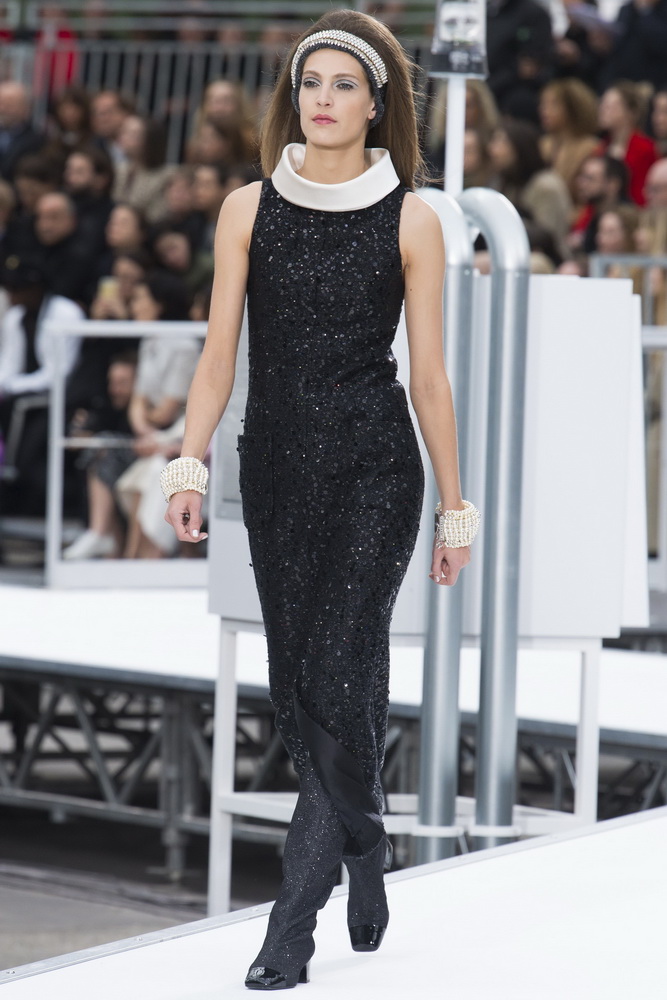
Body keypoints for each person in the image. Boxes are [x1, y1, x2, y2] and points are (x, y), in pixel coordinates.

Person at [161, 8, 478, 991]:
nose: (324, 100)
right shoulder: (246, 207)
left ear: (377, 105)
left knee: (337, 667)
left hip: (376, 470)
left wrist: (454, 507)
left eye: (345, 85)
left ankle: (288, 931)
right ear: (292, 96)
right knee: (303, 686)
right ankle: (365, 837)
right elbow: (219, 354)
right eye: (311, 83)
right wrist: (188, 462)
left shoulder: (412, 217)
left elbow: (429, 377)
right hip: (276, 470)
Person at [596, 81, 659, 206]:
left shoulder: (645, 148)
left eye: (610, 106)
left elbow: (642, 196)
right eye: (602, 104)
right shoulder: (601, 147)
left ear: (630, 112)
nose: (602, 109)